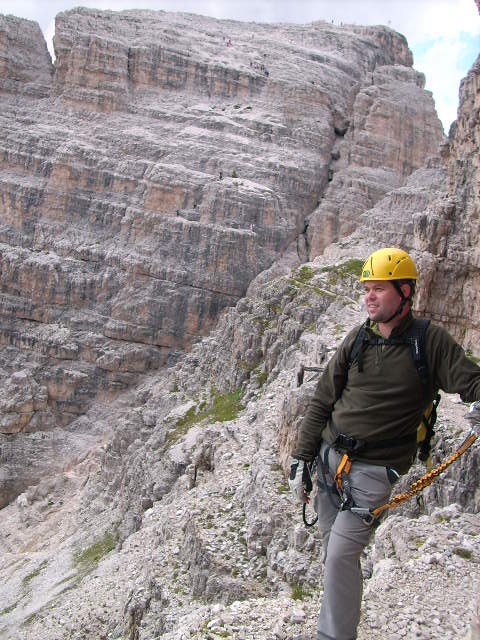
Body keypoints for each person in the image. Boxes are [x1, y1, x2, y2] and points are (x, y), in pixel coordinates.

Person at [288, 247, 480, 640]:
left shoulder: (429, 342)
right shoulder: (358, 338)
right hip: (328, 462)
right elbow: (323, 398)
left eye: (378, 288)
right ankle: (338, 626)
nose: (369, 296)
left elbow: (470, 380)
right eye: (366, 289)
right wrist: (302, 459)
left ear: (405, 293)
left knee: (342, 554)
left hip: (373, 472)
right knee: (333, 553)